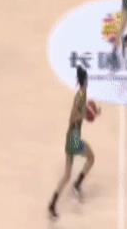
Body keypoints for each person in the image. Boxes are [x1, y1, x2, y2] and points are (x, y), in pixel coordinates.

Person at [48, 66, 99, 219]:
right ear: (85, 81)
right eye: (88, 79)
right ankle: (77, 185)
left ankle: (52, 203)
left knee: (66, 175)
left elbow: (82, 114)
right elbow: (73, 117)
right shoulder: (80, 96)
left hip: (70, 137)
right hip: (74, 140)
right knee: (91, 157)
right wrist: (86, 114)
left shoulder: (81, 94)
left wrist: (93, 113)